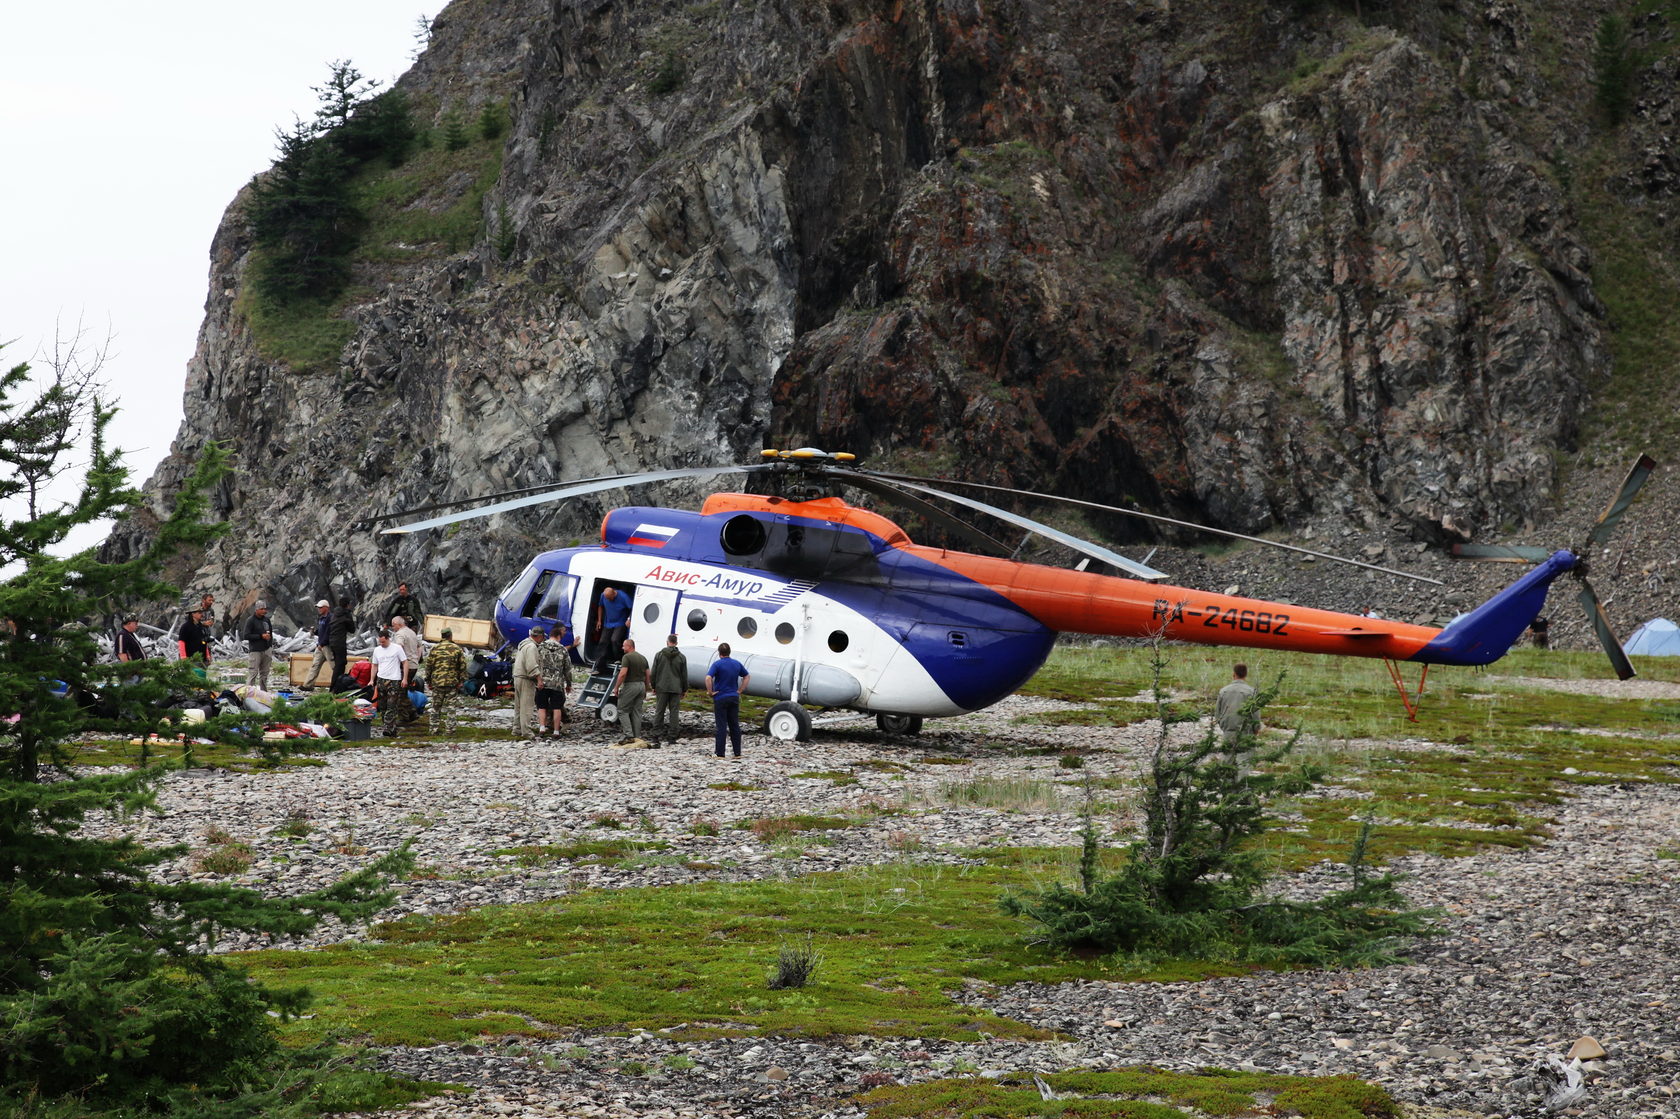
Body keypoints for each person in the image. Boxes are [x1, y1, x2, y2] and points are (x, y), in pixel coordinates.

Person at [706, 642, 750, 758]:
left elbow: (708, 678)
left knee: (721, 726)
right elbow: (746, 676)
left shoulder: (717, 664)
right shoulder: (736, 664)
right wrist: (740, 690)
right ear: (729, 652)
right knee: (734, 725)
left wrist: (710, 692)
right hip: (733, 697)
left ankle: (720, 753)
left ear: (719, 653)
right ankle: (737, 753)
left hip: (721, 697)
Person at [426, 627, 469, 737]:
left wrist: (428, 681)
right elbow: (462, 666)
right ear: (450, 636)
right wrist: (461, 680)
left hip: (437, 682)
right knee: (451, 708)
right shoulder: (456, 649)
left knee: (435, 707)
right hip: (452, 683)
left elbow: (429, 666)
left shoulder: (435, 648)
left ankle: (433, 729)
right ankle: (450, 730)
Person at [369, 628, 410, 736]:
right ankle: (390, 727)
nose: (381, 644)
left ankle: (388, 727)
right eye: (380, 642)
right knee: (382, 705)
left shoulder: (397, 649)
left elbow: (405, 662)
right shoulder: (377, 650)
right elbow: (374, 665)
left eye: (383, 642)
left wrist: (404, 678)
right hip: (381, 679)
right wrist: (371, 680)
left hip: (394, 680)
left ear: (388, 639)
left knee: (391, 704)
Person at [535, 623, 572, 736]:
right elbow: (567, 669)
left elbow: (535, 663)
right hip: (557, 683)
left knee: (542, 706)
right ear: (559, 636)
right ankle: (556, 731)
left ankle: (542, 728)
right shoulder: (563, 649)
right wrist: (569, 684)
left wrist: (537, 679)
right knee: (557, 708)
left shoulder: (540, 647)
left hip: (543, 682)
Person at [650, 633, 687, 745]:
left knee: (659, 712)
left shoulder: (659, 655)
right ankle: (672, 737)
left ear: (667, 642)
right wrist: (684, 689)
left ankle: (656, 736)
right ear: (676, 643)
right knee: (674, 712)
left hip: (661, 687)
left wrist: (653, 686)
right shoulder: (681, 657)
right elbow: (684, 675)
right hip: (676, 688)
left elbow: (654, 672)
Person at [613, 637, 651, 743]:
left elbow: (623, 673)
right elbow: (648, 674)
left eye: (624, 646)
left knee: (622, 709)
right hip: (641, 686)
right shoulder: (643, 658)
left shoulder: (627, 657)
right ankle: (637, 735)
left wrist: (616, 687)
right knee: (637, 711)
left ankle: (628, 735)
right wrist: (646, 687)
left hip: (631, 685)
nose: (622, 647)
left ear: (629, 646)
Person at [511, 625, 545, 739]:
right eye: (542, 637)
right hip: (526, 679)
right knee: (526, 707)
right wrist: (539, 679)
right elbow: (531, 665)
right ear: (539, 636)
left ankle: (517, 729)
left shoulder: (523, 644)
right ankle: (526, 732)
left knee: (518, 706)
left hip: (517, 677)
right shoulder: (532, 647)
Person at [1215, 663, 1258, 746]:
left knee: (1227, 757)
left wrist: (1224, 727)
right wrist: (1256, 728)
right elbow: (1255, 713)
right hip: (1246, 732)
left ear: (1233, 674)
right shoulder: (1251, 692)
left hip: (1228, 731)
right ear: (1246, 675)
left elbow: (1217, 713)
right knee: (1245, 757)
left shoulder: (1223, 691)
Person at [592, 586, 633, 673]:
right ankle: (599, 667)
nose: (609, 600)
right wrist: (599, 620)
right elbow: (600, 606)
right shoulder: (603, 595)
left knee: (615, 640)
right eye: (607, 599)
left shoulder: (623, 596)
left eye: (610, 598)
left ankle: (619, 659)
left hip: (620, 622)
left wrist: (629, 618)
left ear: (614, 593)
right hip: (608, 622)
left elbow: (631, 608)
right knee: (602, 642)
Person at [243, 600, 275, 690]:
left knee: (265, 673)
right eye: (262, 609)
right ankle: (248, 692)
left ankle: (263, 692)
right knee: (253, 672)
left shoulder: (267, 620)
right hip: (255, 650)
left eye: (265, 609)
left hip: (267, 649)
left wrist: (270, 645)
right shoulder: (250, 620)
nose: (264, 611)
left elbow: (271, 633)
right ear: (256, 609)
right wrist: (261, 636)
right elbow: (246, 635)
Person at [328, 596, 355, 685]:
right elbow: (352, 629)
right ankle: (335, 687)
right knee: (341, 664)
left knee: (338, 664)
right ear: (347, 605)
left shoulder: (334, 614)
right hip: (340, 642)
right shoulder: (346, 614)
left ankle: (336, 685)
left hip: (332, 641)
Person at [306, 599, 333, 688]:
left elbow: (329, 633)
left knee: (334, 666)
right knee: (315, 665)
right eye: (318, 607)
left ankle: (338, 685)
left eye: (321, 607)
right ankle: (308, 685)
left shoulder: (330, 618)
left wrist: (322, 643)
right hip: (320, 646)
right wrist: (315, 632)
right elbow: (322, 631)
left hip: (327, 646)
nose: (319, 609)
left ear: (326, 608)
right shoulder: (321, 618)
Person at [390, 615, 425, 680]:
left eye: (393, 626)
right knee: (407, 686)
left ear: (397, 624)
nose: (393, 628)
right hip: (414, 666)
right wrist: (417, 659)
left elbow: (399, 647)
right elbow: (420, 647)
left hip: (404, 667)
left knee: (399, 688)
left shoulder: (400, 634)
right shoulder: (412, 632)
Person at [116, 616, 144, 684]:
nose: (137, 625)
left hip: (138, 671)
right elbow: (122, 654)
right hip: (130, 672)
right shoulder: (122, 635)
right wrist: (130, 669)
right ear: (129, 623)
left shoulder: (130, 635)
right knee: (132, 691)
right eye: (135, 623)